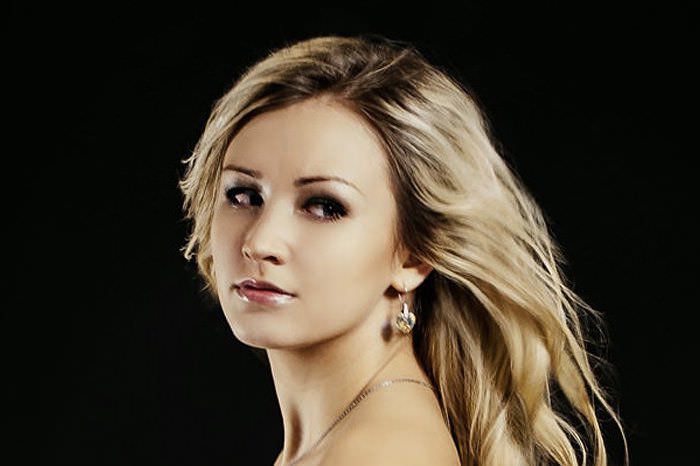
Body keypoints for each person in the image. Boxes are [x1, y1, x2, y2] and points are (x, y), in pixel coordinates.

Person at [178, 34, 629, 466]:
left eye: (324, 206)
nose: (259, 242)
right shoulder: (353, 438)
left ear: (414, 256)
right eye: (243, 195)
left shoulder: (376, 455)